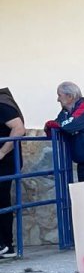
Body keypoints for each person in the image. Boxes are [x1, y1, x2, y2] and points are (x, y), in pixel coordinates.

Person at [44, 82, 84, 183]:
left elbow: (66, 126)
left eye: (59, 95)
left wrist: (50, 124)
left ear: (70, 96)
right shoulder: (66, 111)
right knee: (83, 195)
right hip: (83, 161)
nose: (58, 99)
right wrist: (51, 126)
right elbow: (56, 127)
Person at [0, 88, 26, 258]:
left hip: (4, 163)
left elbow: (18, 129)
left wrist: (2, 152)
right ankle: (5, 244)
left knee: (2, 200)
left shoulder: (2, 105)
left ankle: (4, 244)